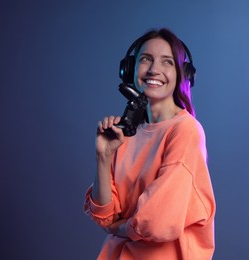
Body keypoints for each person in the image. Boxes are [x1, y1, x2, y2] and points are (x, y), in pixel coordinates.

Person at [84, 28, 216, 259]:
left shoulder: (184, 130)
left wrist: (117, 228)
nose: (154, 69)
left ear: (182, 75)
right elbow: (104, 214)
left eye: (167, 62)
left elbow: (156, 221)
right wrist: (104, 157)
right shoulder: (125, 134)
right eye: (146, 59)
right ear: (130, 70)